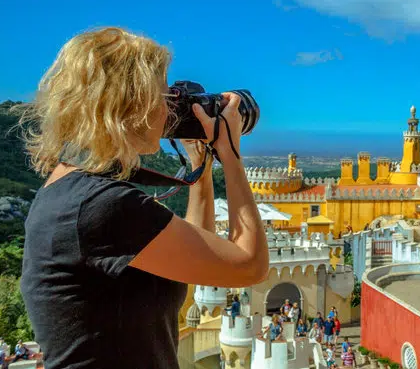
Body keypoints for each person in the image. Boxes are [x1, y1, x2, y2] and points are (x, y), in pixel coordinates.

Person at [17, 27, 270, 368]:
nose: (170, 113)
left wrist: (203, 166)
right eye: (164, 98)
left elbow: (197, 260)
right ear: (131, 103)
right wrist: (231, 154)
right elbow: (249, 266)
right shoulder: (101, 205)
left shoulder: (71, 190)